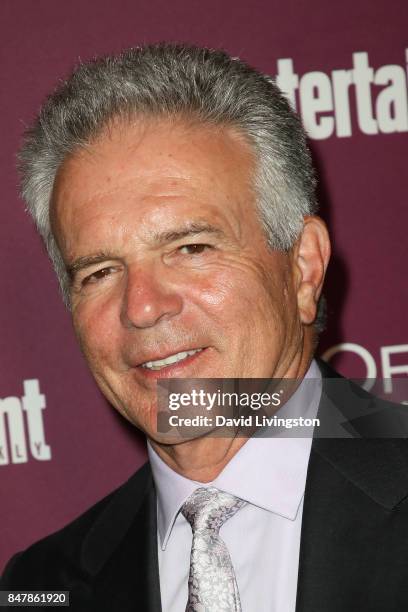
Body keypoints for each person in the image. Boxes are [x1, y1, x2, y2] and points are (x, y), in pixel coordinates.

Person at [1, 43, 408, 612]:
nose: (141, 307)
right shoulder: (42, 585)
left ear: (302, 268)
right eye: (99, 271)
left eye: (190, 247)